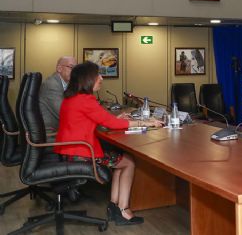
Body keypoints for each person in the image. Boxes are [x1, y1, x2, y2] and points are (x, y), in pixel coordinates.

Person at [55, 62, 162, 226]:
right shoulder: (85, 100)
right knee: (129, 163)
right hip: (83, 154)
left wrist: (116, 120)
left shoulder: (72, 98)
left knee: (122, 159)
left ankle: (114, 207)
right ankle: (123, 210)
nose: (101, 78)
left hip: (70, 152)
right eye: (98, 75)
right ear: (87, 79)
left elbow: (96, 121)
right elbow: (110, 124)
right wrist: (146, 122)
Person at [39, 56, 77, 135]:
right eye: (71, 67)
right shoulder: (51, 85)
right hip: (51, 134)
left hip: (60, 130)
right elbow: (66, 114)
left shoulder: (66, 84)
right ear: (59, 68)